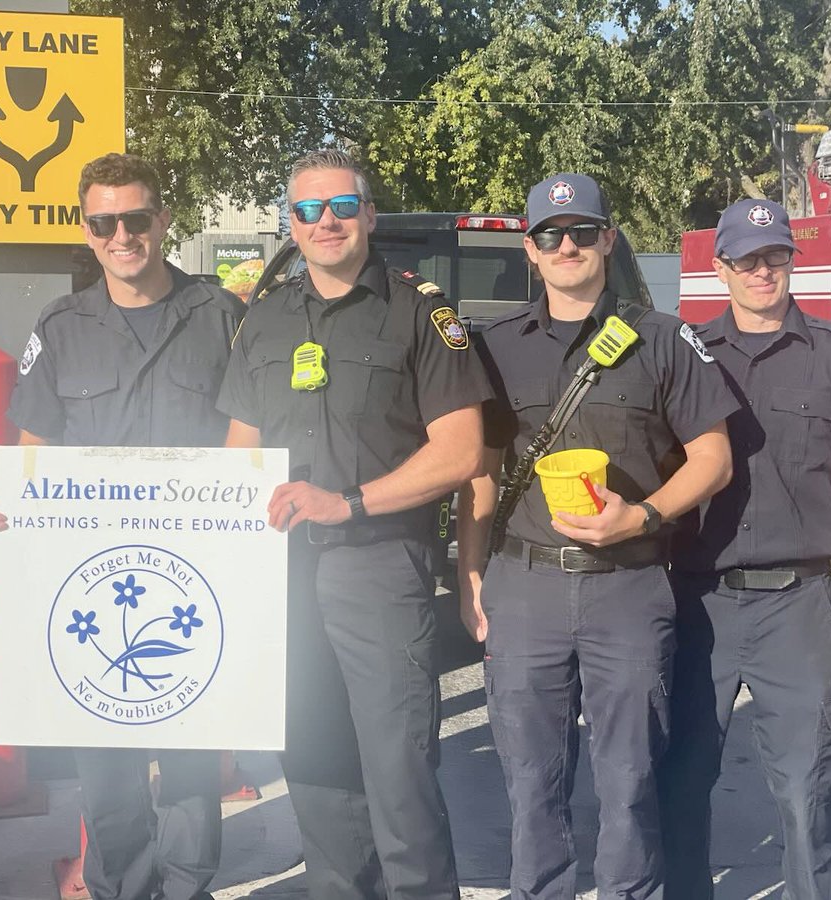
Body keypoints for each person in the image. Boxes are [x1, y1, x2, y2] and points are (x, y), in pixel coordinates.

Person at [216, 148, 489, 900]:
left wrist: (352, 501)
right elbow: (239, 449)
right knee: (312, 765)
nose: (325, 221)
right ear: (291, 226)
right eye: (308, 210)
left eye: (341, 206)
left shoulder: (420, 312)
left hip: (379, 565)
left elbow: (463, 450)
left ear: (369, 216)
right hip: (283, 577)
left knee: (398, 773)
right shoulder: (264, 319)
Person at [456, 173, 737, 900]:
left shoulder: (664, 338)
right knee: (529, 779)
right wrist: (472, 575)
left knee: (631, 778)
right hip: (526, 585)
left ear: (609, 240)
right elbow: (480, 475)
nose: (568, 245)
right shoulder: (495, 347)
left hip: (630, 585)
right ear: (531, 250)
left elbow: (713, 458)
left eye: (584, 231)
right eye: (551, 234)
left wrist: (642, 516)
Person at [0, 152, 243, 900]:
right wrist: (10, 512)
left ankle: (188, 889)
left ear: (163, 219)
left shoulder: (219, 315)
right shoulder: (60, 327)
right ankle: (123, 888)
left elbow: (249, 442)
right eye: (104, 222)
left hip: (195, 578)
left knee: (193, 763)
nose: (121, 235)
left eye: (135, 218)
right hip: (95, 587)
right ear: (86, 230)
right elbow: (33, 455)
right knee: (107, 769)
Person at [659, 199, 831, 899]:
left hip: (798, 606)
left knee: (807, 788)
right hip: (697, 601)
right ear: (723, 268)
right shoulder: (686, 351)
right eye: (747, 259)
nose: (762, 270)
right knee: (680, 778)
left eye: (775, 256)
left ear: (791, 260)